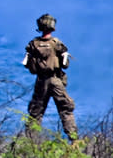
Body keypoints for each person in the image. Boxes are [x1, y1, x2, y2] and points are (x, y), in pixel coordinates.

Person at [22, 13, 78, 143]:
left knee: (35, 112)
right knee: (65, 109)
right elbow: (65, 65)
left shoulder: (33, 44)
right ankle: (74, 140)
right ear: (52, 27)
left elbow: (27, 64)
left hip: (41, 81)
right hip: (55, 80)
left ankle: (30, 142)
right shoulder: (57, 44)